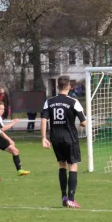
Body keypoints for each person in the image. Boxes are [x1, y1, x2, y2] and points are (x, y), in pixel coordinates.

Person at [41, 75, 87, 208]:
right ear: (69, 87)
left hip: (55, 138)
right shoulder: (74, 102)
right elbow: (83, 122)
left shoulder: (49, 102)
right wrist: (80, 125)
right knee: (73, 165)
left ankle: (64, 196)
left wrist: (44, 138)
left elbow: (44, 119)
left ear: (57, 87)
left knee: (62, 165)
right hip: (70, 138)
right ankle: (71, 199)